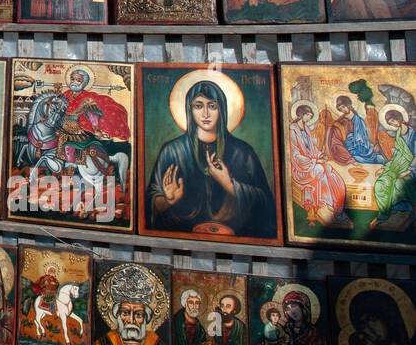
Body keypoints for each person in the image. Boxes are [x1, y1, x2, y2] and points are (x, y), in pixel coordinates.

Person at [145, 78, 276, 237]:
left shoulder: (242, 152)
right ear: (190, 109)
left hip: (233, 238)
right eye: (198, 106)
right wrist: (168, 200)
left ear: (222, 110)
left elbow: (265, 203)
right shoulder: (173, 151)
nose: (205, 114)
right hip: (182, 238)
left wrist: (230, 186)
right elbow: (151, 203)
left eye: (212, 106)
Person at [287, 101, 349, 228]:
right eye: (308, 115)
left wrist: (320, 155)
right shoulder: (292, 131)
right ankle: (329, 205)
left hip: (311, 163)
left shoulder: (306, 129)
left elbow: (313, 149)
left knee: (330, 170)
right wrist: (315, 161)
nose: (310, 118)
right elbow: (295, 156)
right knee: (320, 169)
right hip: (301, 168)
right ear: (301, 114)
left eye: (310, 115)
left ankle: (338, 206)